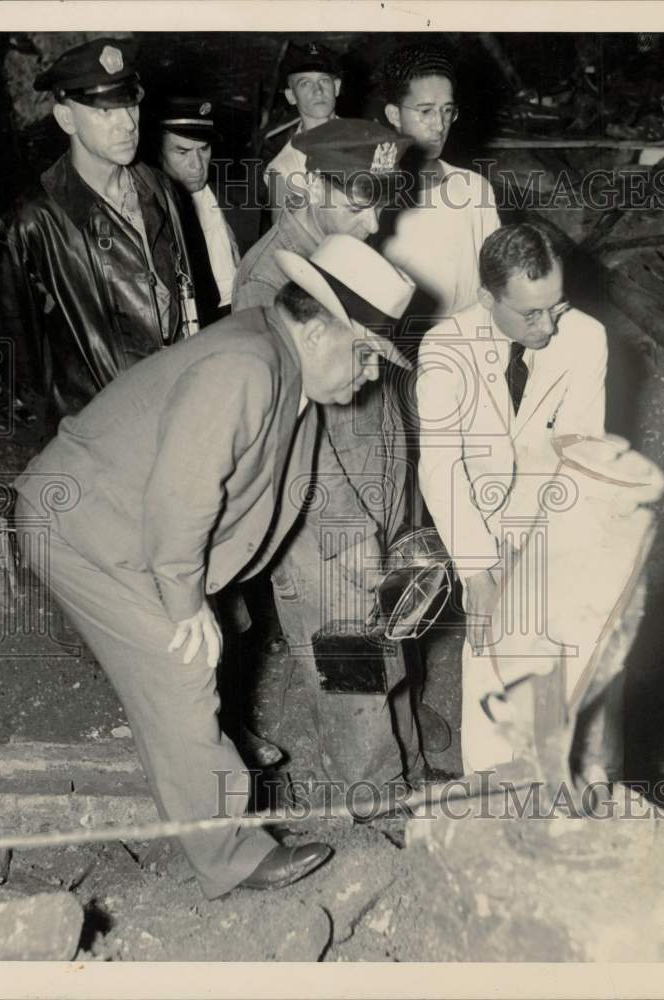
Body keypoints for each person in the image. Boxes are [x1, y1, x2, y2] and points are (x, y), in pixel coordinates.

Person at [13, 234, 416, 900]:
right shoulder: (245, 367)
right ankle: (232, 855)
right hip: (86, 529)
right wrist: (179, 598)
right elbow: (184, 490)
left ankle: (203, 765)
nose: (371, 374)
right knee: (181, 668)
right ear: (319, 332)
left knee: (206, 649)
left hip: (125, 523)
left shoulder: (284, 366)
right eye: (366, 355)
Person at [235, 119, 432, 793]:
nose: (374, 223)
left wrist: (403, 506)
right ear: (310, 185)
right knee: (349, 659)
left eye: (380, 201)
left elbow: (375, 395)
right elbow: (283, 430)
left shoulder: (346, 253)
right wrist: (345, 532)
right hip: (322, 513)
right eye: (357, 202)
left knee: (390, 638)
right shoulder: (268, 283)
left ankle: (405, 767)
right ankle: (374, 797)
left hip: (373, 484)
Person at [416, 223, 609, 772]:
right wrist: (479, 573)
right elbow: (442, 466)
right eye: (531, 314)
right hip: (479, 527)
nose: (548, 326)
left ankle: (552, 798)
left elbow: (578, 455)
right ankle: (490, 801)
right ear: (486, 299)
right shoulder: (445, 348)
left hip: (553, 524)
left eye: (557, 305)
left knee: (558, 678)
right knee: (491, 672)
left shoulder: (586, 338)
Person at [0, 37, 197, 439]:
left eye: (130, 103)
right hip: (99, 438)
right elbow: (20, 375)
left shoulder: (161, 189)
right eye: (105, 111)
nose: (128, 123)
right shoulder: (28, 224)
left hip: (178, 412)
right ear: (66, 119)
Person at [380, 41, 500, 320]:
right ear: (394, 115)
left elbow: (495, 279)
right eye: (425, 111)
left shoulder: (474, 188)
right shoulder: (373, 200)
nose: (440, 125)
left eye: (447, 111)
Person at [158, 95, 240, 326]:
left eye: (203, 149)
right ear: (158, 152)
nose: (197, 164)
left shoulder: (242, 202)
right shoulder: (152, 215)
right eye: (182, 152)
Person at [264, 42, 341, 223]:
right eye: (305, 83)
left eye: (323, 80)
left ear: (337, 87)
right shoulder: (283, 169)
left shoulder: (367, 138)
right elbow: (287, 240)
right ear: (291, 96)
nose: (318, 91)